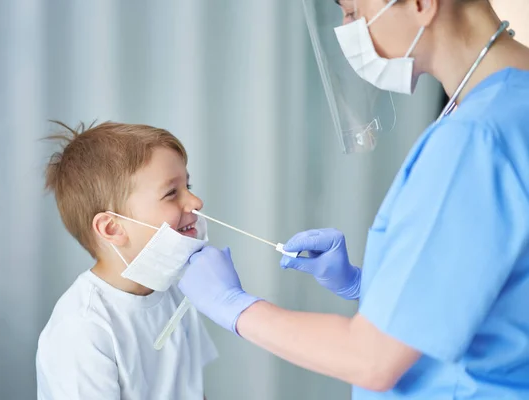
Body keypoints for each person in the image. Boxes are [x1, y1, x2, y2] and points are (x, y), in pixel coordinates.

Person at [177, 0, 529, 398]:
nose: (348, 31)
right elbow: (501, 287)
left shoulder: (477, 138)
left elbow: (373, 361)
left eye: (352, 12)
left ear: (420, 4)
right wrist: (365, 285)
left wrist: (233, 305)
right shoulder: (510, 104)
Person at [36, 122, 217, 400]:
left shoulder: (176, 292)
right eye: (171, 193)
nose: (195, 201)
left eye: (188, 185)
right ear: (112, 229)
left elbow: (195, 390)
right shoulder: (83, 328)